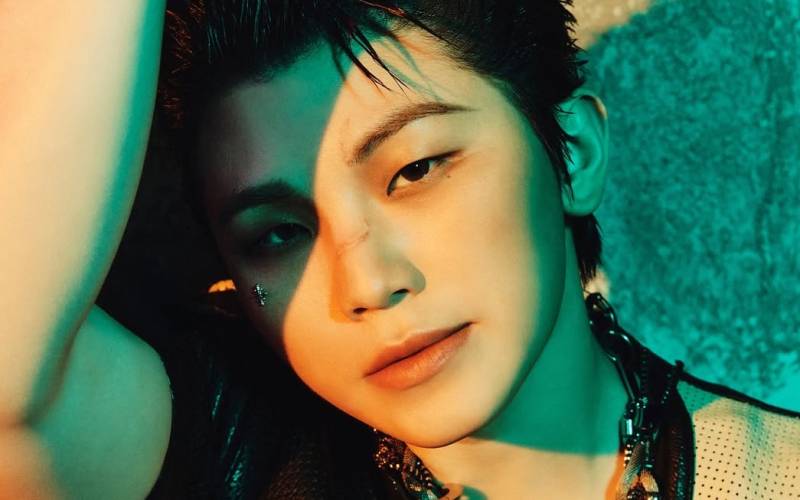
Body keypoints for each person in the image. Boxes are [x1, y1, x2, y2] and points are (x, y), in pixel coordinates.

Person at [2, 1, 798, 499]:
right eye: (278, 234)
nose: (367, 281)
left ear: (574, 153)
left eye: (415, 169)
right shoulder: (233, 449)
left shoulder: (773, 476)